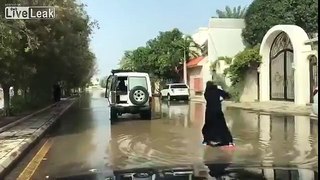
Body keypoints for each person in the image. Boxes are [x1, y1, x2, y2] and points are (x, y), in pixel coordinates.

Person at [202, 81, 234, 147]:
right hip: (217, 111)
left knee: (208, 126)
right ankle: (229, 142)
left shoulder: (206, 93)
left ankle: (206, 141)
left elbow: (211, 99)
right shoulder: (218, 91)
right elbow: (228, 96)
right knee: (222, 126)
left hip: (209, 113)